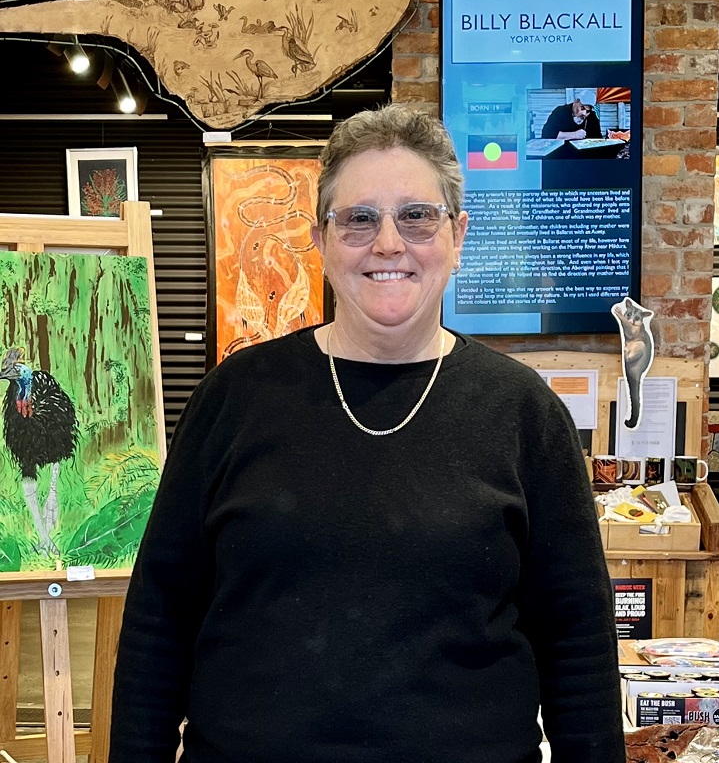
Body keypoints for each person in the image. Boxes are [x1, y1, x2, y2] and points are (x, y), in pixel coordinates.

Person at [109, 104, 625, 763]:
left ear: (458, 237)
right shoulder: (234, 398)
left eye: (417, 216)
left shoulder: (523, 414)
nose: (388, 244)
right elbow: (160, 619)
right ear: (321, 242)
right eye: (359, 219)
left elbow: (578, 642)